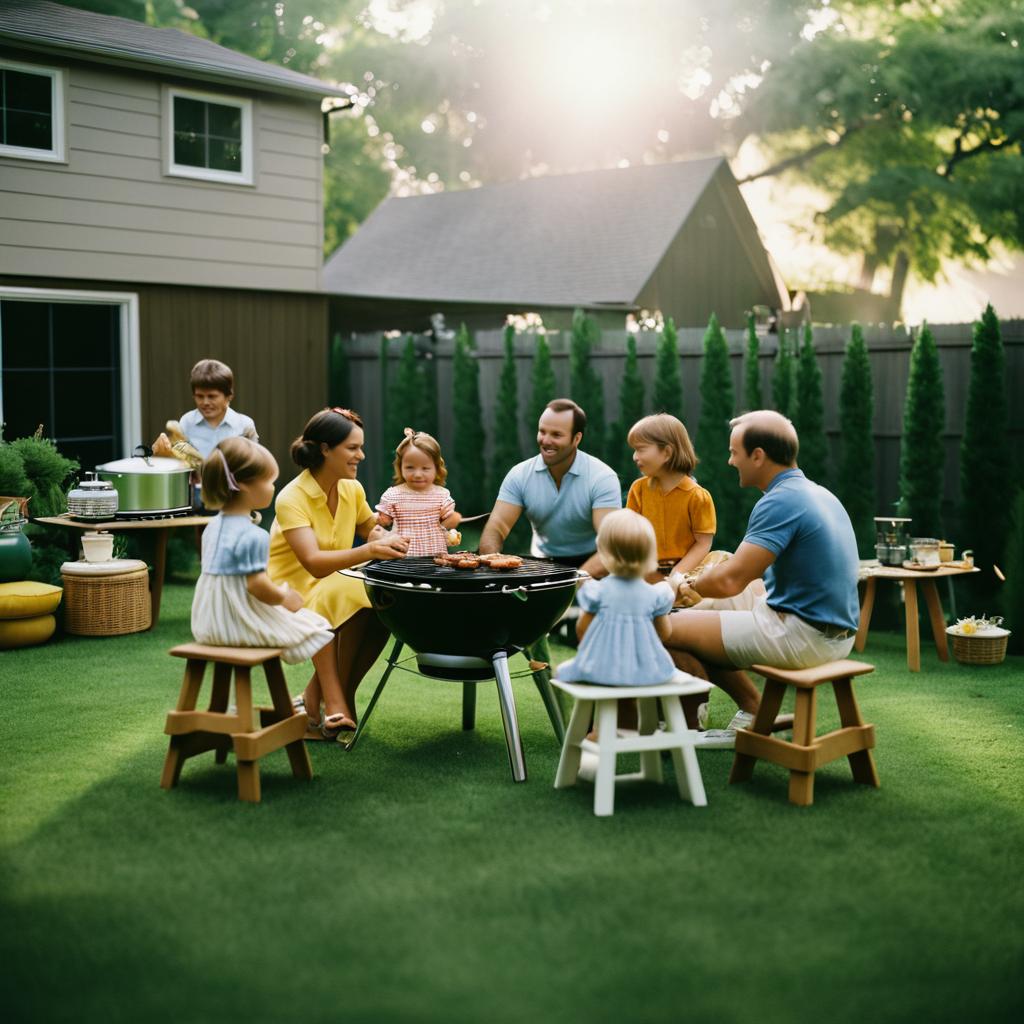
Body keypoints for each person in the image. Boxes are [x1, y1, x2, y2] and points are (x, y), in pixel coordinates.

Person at [665, 410, 860, 747]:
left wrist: (685, 584)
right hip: (839, 635)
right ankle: (753, 708)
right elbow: (745, 577)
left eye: (734, 452)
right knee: (711, 607)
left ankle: (684, 730)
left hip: (802, 637)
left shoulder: (779, 501)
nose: (729, 461)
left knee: (666, 625)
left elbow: (729, 581)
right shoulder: (819, 493)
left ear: (758, 456)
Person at [267, 408, 409, 741]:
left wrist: (386, 538)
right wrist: (369, 551)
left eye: (360, 447)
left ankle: (319, 700)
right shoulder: (291, 498)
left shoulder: (352, 489)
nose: (361, 455)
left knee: (382, 601)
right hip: (287, 593)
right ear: (326, 449)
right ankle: (333, 704)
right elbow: (314, 563)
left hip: (334, 584)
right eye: (352, 448)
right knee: (348, 585)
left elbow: (369, 528)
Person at [190, 437, 333, 664]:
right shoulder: (253, 535)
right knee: (318, 626)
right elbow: (257, 585)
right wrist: (285, 597)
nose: (273, 487)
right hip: (236, 625)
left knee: (304, 622)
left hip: (206, 625)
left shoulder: (212, 527)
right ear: (244, 485)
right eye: (269, 481)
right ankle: (325, 696)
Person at [480, 399, 621, 575]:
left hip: (593, 562)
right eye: (542, 432)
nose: (546, 441)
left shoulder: (602, 477)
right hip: (543, 563)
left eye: (556, 435)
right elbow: (496, 527)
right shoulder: (520, 474)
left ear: (576, 438)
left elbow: (611, 547)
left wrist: (574, 582)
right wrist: (491, 562)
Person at [556, 510, 678, 686]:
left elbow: (582, 630)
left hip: (600, 670)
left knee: (563, 670)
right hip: (647, 673)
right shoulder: (656, 595)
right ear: (651, 554)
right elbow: (665, 633)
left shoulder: (597, 591)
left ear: (603, 552)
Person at [152, 358, 259, 509]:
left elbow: (254, 466)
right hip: (197, 497)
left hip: (233, 496)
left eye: (212, 396)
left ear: (229, 396)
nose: (205, 402)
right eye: (199, 396)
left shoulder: (244, 425)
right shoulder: (187, 422)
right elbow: (182, 462)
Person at [376, 428, 462, 557]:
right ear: (400, 467)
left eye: (425, 468)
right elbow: (383, 522)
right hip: (402, 559)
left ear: (437, 468)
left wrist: (451, 520)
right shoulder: (393, 495)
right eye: (410, 467)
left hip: (435, 558)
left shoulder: (441, 495)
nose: (417, 474)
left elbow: (446, 521)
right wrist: (381, 519)